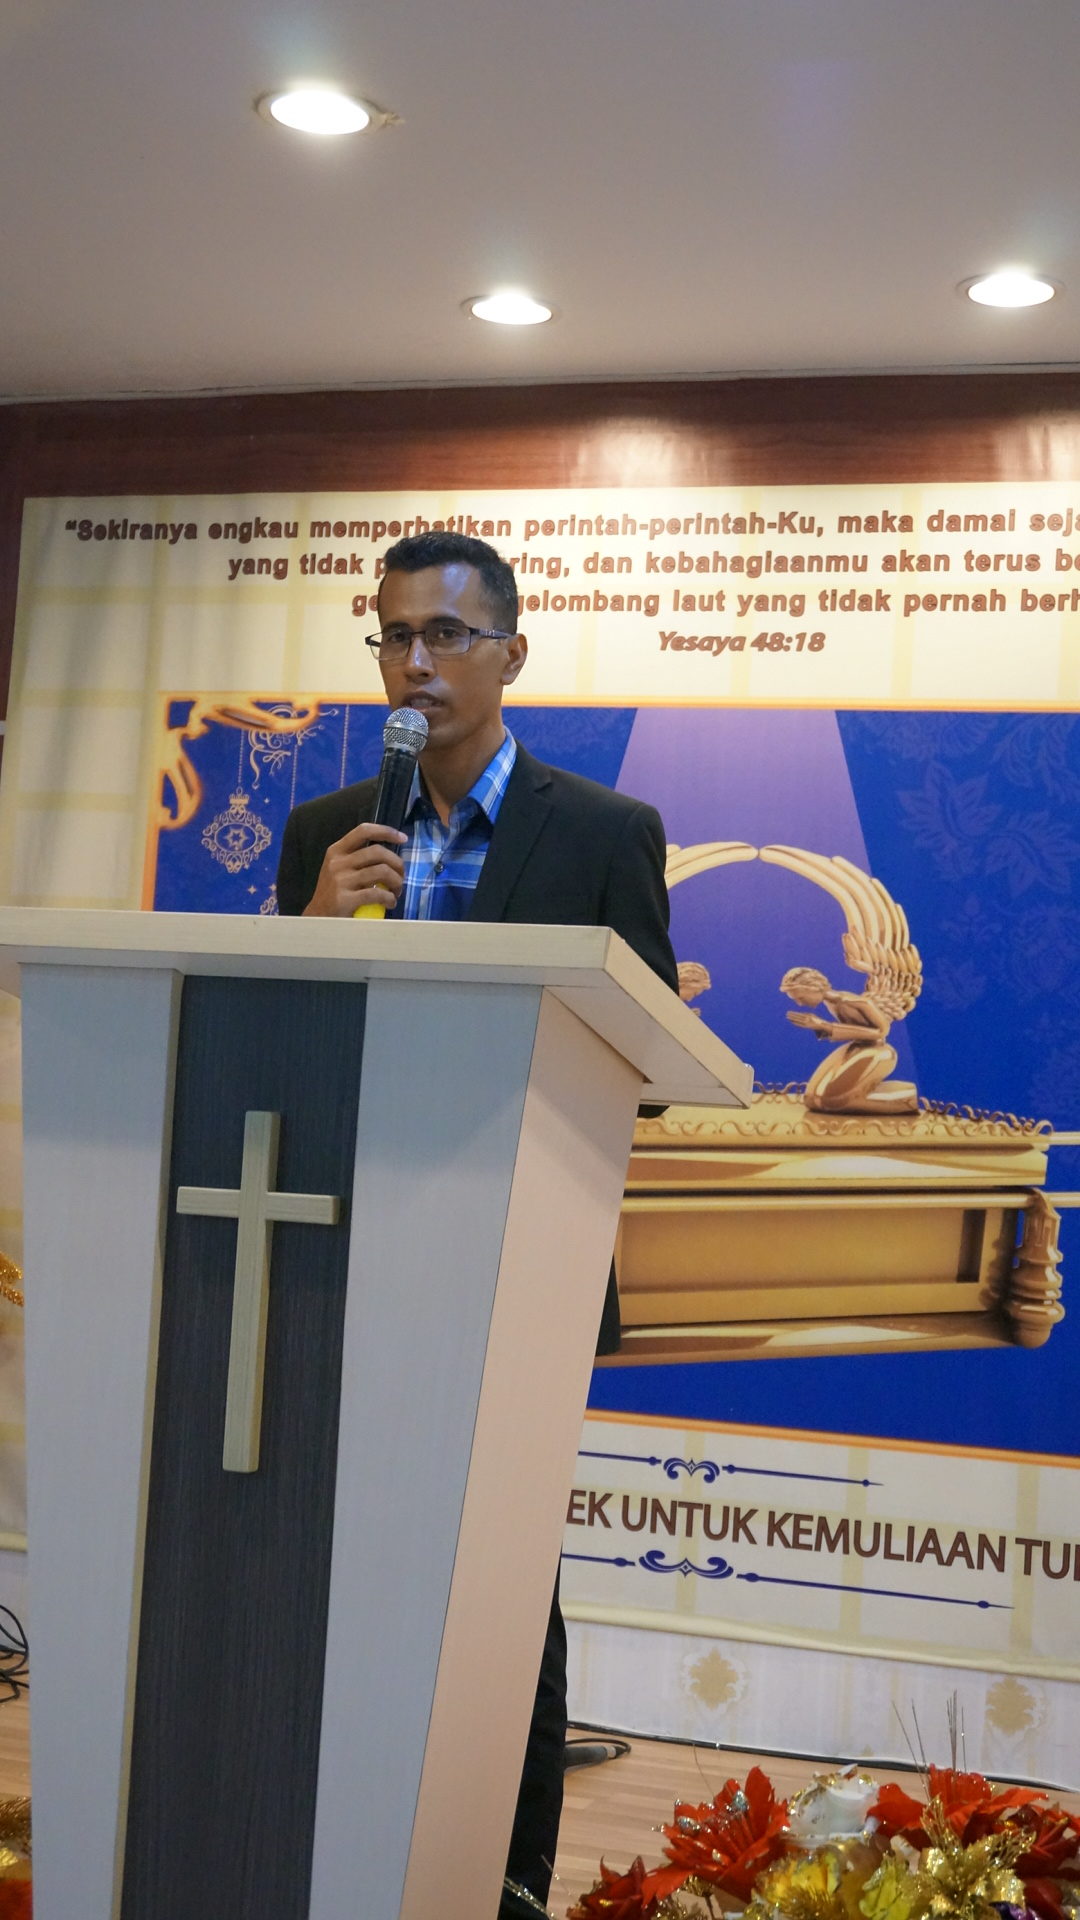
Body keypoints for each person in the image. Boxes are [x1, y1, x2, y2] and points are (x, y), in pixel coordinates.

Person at [276, 530, 678, 1914]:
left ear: (512, 651)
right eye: (393, 636)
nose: (415, 664)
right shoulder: (329, 834)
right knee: (337, 1554)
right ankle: (340, 1835)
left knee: (505, 1580)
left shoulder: (606, 834)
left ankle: (504, 1877)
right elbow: (278, 1043)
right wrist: (312, 928)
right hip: (345, 1249)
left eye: (446, 635)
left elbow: (644, 1069)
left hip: (521, 1257)